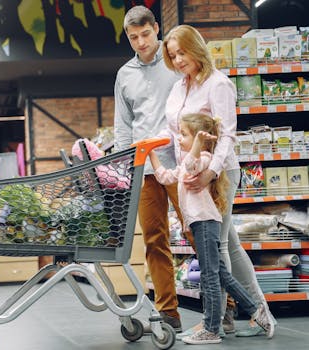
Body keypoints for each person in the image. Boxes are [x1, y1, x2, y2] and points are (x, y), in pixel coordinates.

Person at [161, 24, 276, 336]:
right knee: (231, 247)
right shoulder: (178, 88)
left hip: (218, 173)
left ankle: (221, 318)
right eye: (173, 56)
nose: (178, 60)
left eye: (182, 52)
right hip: (193, 173)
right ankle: (259, 311)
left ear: (196, 48)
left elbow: (226, 135)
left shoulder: (218, 84)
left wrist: (210, 174)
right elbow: (174, 134)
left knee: (217, 247)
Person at [148, 113, 274, 344]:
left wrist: (196, 145)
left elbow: (191, 164)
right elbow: (166, 177)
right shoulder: (187, 162)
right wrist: (151, 154)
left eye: (184, 134)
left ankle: (211, 329)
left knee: (210, 276)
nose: (179, 138)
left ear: (199, 139)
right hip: (199, 224)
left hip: (206, 223)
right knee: (222, 274)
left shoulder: (205, 158)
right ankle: (257, 310)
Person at [113, 5, 184, 331]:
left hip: (183, 164)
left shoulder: (175, 63)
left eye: (145, 34)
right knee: (155, 240)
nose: (140, 42)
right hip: (145, 169)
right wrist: (125, 171)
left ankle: (220, 304)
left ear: (156, 28)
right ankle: (168, 313)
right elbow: (123, 127)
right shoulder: (125, 75)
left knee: (199, 235)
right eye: (133, 37)